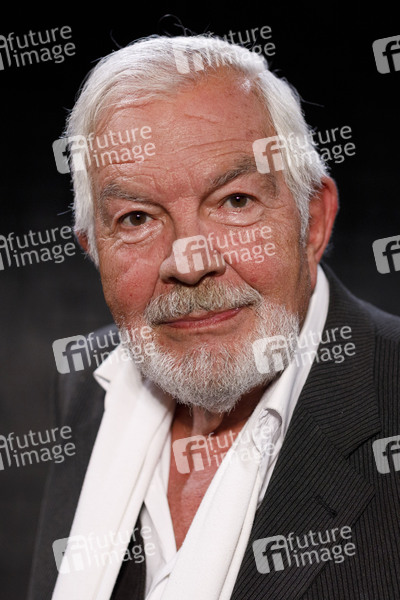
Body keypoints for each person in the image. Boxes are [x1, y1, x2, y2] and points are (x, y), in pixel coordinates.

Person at [28, 34, 400, 600]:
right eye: (136, 218)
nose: (189, 262)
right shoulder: (86, 388)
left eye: (235, 201)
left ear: (313, 222)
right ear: (93, 247)